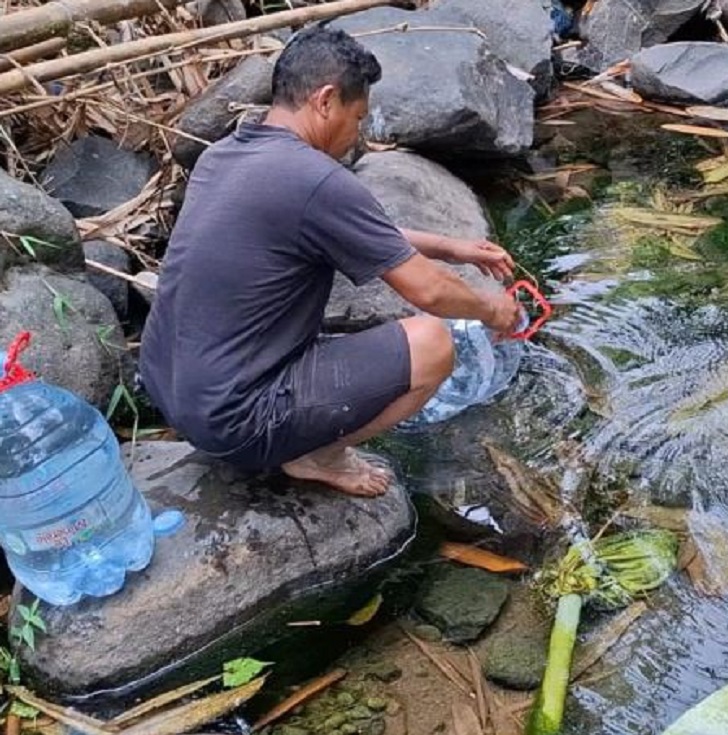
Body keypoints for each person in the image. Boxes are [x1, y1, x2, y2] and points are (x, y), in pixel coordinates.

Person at [139, 24, 523, 498]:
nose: (356, 133)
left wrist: (450, 246)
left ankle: (284, 438)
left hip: (169, 389)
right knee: (432, 343)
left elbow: (350, 233)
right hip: (236, 419)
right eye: (358, 117)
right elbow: (430, 292)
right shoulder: (315, 179)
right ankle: (314, 456)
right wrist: (493, 310)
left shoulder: (225, 155)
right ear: (325, 101)